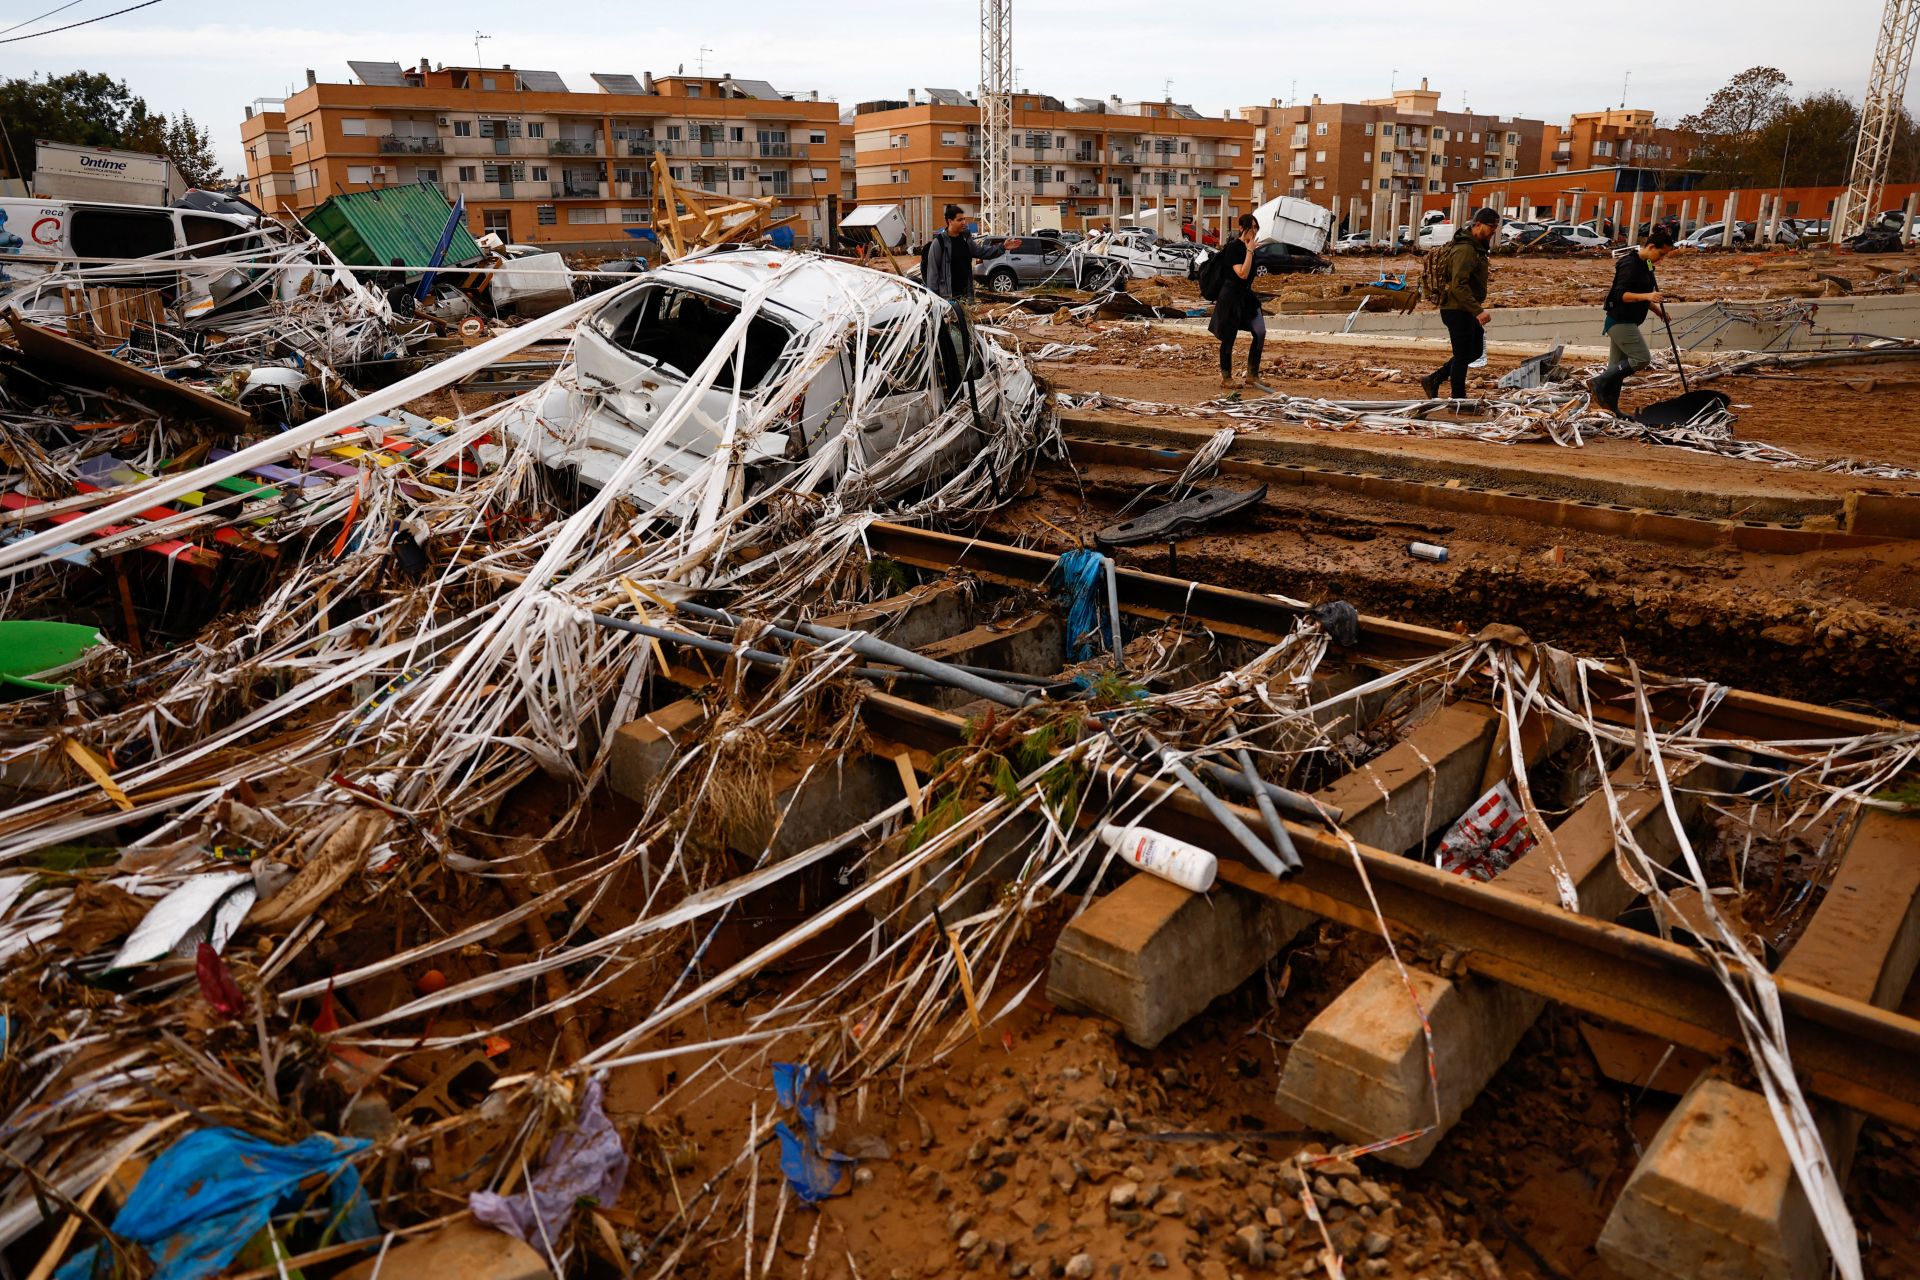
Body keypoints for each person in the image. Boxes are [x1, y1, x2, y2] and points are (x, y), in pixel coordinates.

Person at [1589, 225, 1677, 414]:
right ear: (1651, 247)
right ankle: (1599, 381)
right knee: (1641, 358)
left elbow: (1641, 293)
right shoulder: (1630, 265)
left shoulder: (1645, 265)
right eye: (1661, 254)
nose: (1661, 260)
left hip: (1627, 320)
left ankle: (1611, 408)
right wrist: (1648, 297)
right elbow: (1620, 295)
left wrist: (1657, 311)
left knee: (1616, 370)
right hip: (1620, 321)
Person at [1420, 207, 1499, 400]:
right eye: (1491, 227)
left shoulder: (1474, 247)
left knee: (1474, 351)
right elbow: (1458, 285)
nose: (1494, 231)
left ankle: (1434, 378)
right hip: (1456, 309)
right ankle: (1458, 399)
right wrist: (1478, 311)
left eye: (1496, 227)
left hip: (1464, 309)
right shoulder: (1465, 250)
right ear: (1477, 224)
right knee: (1463, 355)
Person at [1209, 213, 1265, 389]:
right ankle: (1226, 378)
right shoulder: (1234, 248)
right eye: (1251, 227)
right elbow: (1242, 273)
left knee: (1260, 331)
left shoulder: (1252, 248)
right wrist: (1249, 251)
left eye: (1256, 228)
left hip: (1246, 296)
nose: (1254, 231)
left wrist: (1251, 250)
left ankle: (1252, 375)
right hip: (1231, 297)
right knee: (1229, 337)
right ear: (1241, 228)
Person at [923, 204, 1001, 303]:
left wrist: (1002, 248)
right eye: (960, 220)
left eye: (964, 219)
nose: (964, 222)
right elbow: (932, 273)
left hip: (966, 296)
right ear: (950, 221)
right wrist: (934, 300)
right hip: (947, 298)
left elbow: (981, 252)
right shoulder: (939, 243)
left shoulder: (966, 239)